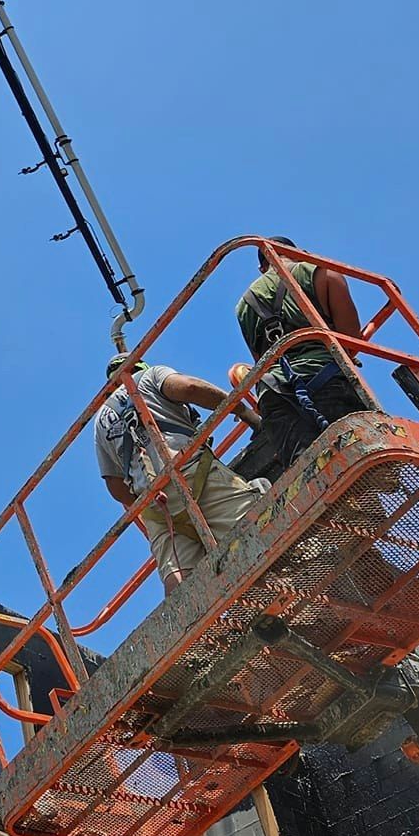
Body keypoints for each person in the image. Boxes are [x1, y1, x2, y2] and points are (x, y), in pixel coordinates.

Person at [95, 357, 266, 592]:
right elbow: (190, 388)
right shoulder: (149, 376)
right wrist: (246, 413)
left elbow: (116, 488)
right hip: (193, 474)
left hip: (155, 507)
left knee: (182, 584)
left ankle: (204, 625)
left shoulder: (100, 421)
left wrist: (158, 500)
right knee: (258, 531)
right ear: (139, 367)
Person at [235, 240, 372, 480]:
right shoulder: (321, 271)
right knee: (362, 469)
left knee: (314, 482)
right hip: (326, 379)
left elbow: (261, 361)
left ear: (261, 268)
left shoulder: (243, 305)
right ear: (299, 254)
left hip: (274, 396)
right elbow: (350, 340)